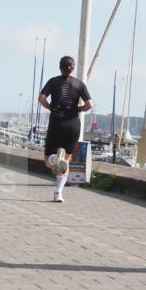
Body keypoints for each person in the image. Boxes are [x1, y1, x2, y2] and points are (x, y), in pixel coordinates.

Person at [38, 55, 93, 202]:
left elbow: (41, 98)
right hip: (73, 124)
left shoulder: (53, 81)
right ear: (73, 68)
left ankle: (56, 158)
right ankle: (58, 193)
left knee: (47, 161)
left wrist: (50, 107)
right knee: (66, 161)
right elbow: (89, 104)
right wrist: (79, 109)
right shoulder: (79, 84)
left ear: (59, 67)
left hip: (57, 122)